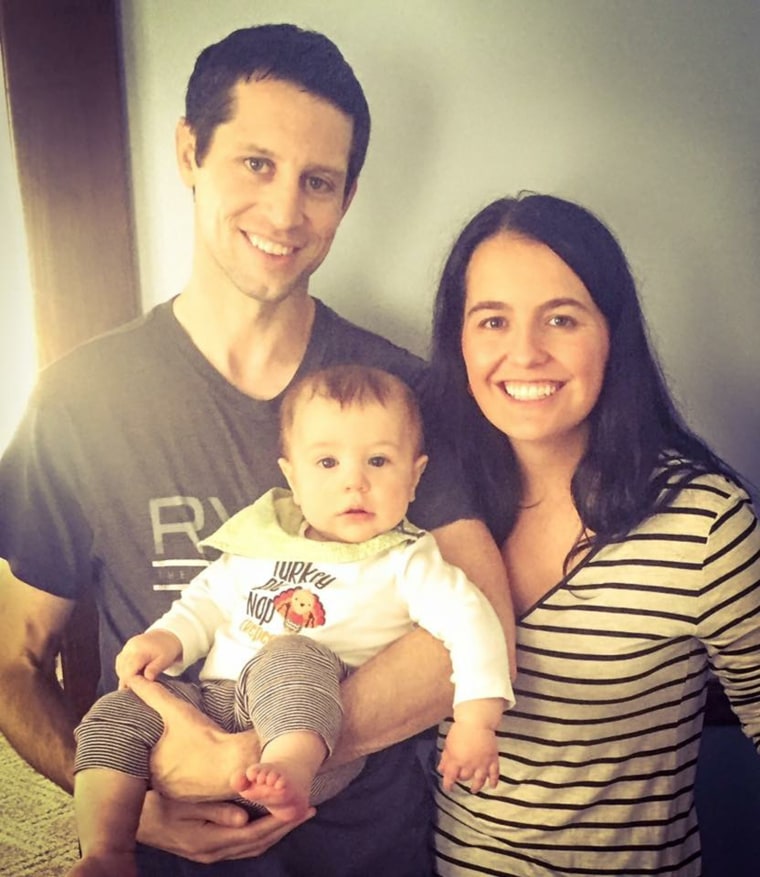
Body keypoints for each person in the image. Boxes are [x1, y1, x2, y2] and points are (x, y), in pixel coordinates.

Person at [0, 23, 514, 877]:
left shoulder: (404, 397)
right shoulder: (77, 401)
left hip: (372, 859)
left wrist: (262, 750)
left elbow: (478, 612)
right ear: (190, 152)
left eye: (318, 181)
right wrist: (139, 811)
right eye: (255, 163)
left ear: (347, 199)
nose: (284, 212)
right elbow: (13, 659)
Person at [426, 191, 760, 876]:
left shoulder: (703, 522)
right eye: (492, 319)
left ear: (613, 333)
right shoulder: (416, 503)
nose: (525, 352)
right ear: (458, 338)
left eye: (561, 318)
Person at [69, 364, 513, 877]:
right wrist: (168, 638)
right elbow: (209, 599)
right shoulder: (266, 540)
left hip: (315, 731)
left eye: (378, 460)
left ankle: (284, 772)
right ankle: (108, 849)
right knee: (116, 712)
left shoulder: (405, 559)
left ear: (413, 477)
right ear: (292, 478)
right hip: (215, 699)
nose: (355, 481)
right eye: (327, 462)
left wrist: (478, 719)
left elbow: (474, 620)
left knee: (291, 651)